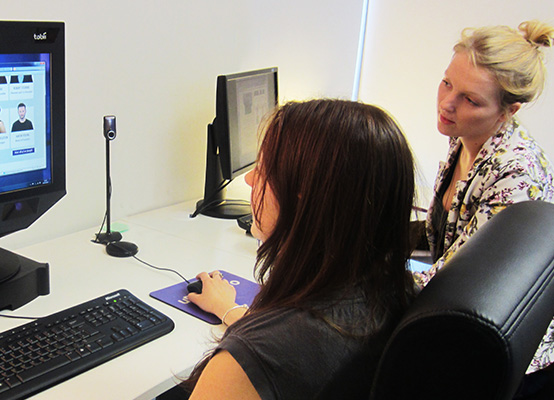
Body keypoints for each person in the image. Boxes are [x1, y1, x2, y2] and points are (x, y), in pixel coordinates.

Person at [181, 99, 418, 399]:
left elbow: (279, 353)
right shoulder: (392, 292)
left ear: (304, 200)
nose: (250, 179)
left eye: (264, 169)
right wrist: (229, 310)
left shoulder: (249, 361)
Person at [411, 21, 554, 396]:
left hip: (516, 362)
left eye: (470, 99)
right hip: (463, 317)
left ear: (510, 110)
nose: (447, 103)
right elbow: (447, 230)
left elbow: (453, 279)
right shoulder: (467, 136)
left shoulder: (515, 174)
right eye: (447, 83)